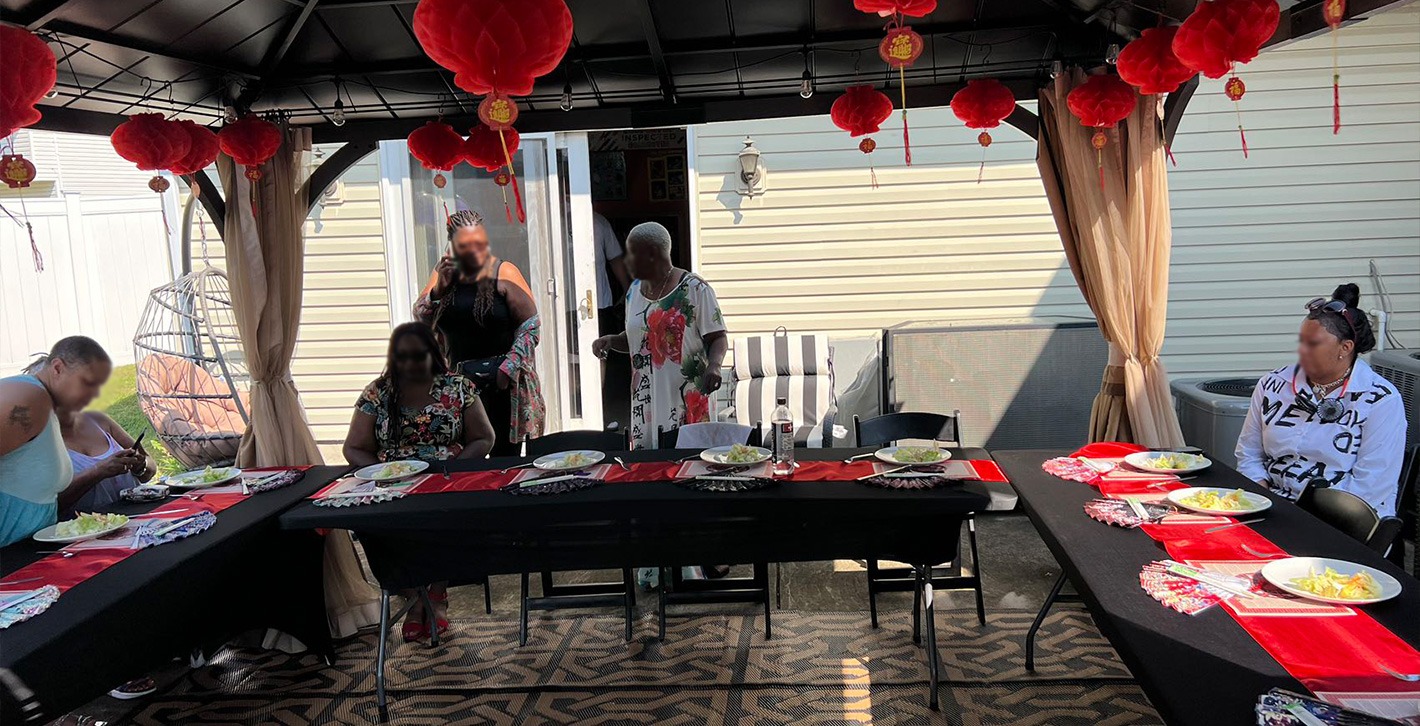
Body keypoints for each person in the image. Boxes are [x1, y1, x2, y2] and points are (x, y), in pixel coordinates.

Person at [343, 322, 496, 641]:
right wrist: (382, 475)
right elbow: (353, 447)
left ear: (434, 354)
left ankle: (436, 597)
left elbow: (484, 438)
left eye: (419, 354)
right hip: (393, 486)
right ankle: (415, 598)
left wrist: (451, 471)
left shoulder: (458, 388)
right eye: (403, 356)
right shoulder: (378, 391)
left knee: (443, 525)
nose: (411, 362)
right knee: (383, 532)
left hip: (445, 482)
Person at [1235, 284, 1407, 517]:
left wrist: (1302, 518)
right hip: (1271, 505)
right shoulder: (1272, 383)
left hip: (1344, 518)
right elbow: (1249, 454)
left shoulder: (1381, 400)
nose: (1302, 351)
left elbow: (1371, 486)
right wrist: (1262, 497)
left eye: (1313, 344)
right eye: (1301, 341)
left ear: (1345, 348)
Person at [414, 210, 545, 456]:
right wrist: (439, 288)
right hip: (460, 383)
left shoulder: (503, 271)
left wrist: (509, 368)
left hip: (502, 383)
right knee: (463, 456)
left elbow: (530, 326)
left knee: (503, 458)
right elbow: (421, 317)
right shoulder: (444, 273)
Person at [592, 221, 728, 450]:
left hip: (685, 400)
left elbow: (717, 337)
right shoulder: (634, 291)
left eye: (633, 254)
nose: (627, 261)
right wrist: (613, 340)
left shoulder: (695, 289)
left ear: (653, 254)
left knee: (687, 466)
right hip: (646, 403)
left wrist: (714, 365)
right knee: (649, 467)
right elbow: (640, 340)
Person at [0, 337, 112, 546]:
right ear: (58, 368)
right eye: (87, 383)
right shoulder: (28, 399)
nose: (93, 394)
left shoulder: (41, 402)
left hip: (26, 552)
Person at [55, 397, 157, 516]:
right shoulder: (42, 446)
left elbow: (151, 468)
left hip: (140, 516)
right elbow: (52, 506)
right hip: (89, 530)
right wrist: (98, 471)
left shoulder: (98, 420)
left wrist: (140, 467)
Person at [594, 210, 633, 429]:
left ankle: (602, 414)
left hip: (598, 304)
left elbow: (616, 260)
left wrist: (630, 293)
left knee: (602, 358)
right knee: (571, 363)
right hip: (561, 305)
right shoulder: (550, 218)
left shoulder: (599, 222)